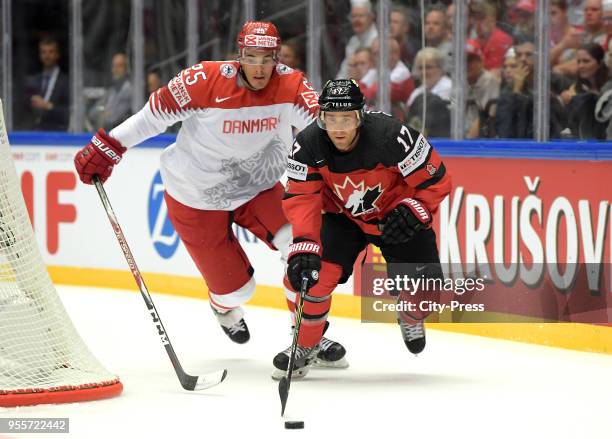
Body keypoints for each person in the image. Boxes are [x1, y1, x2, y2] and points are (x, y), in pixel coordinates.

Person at [74, 21, 347, 367]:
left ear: (277, 59)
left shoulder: (290, 84)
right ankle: (223, 305)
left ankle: (307, 336)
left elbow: (325, 126)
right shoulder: (204, 81)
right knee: (237, 291)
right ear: (239, 56)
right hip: (196, 195)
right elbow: (152, 118)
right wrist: (109, 145)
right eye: (252, 58)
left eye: (268, 59)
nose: (260, 68)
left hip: (259, 189)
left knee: (302, 248)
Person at [272, 79, 452, 378]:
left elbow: (436, 181)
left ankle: (411, 313)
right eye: (331, 119)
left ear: (361, 116)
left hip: (397, 217)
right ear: (321, 118)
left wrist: (414, 209)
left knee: (427, 292)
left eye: (346, 119)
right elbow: (302, 197)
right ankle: (305, 344)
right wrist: (305, 243)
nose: (338, 128)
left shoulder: (392, 136)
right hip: (344, 217)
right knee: (311, 275)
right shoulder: (308, 143)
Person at [23, 37, 70, 131]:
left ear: (57, 54)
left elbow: (70, 113)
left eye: (51, 51)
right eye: (43, 52)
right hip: (33, 131)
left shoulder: (66, 81)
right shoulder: (33, 80)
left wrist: (49, 106)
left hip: (57, 133)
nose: (47, 55)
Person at [88, 53, 133, 131]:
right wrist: (105, 112)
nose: (115, 69)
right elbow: (92, 113)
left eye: (119, 66)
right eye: (114, 66)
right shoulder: (111, 91)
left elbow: (113, 120)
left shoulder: (129, 91)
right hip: (105, 135)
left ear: (127, 69)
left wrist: (103, 112)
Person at [336, 0, 378, 79]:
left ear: (371, 18)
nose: (356, 20)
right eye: (354, 16)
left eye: (361, 16)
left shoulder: (377, 42)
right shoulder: (353, 42)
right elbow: (344, 73)